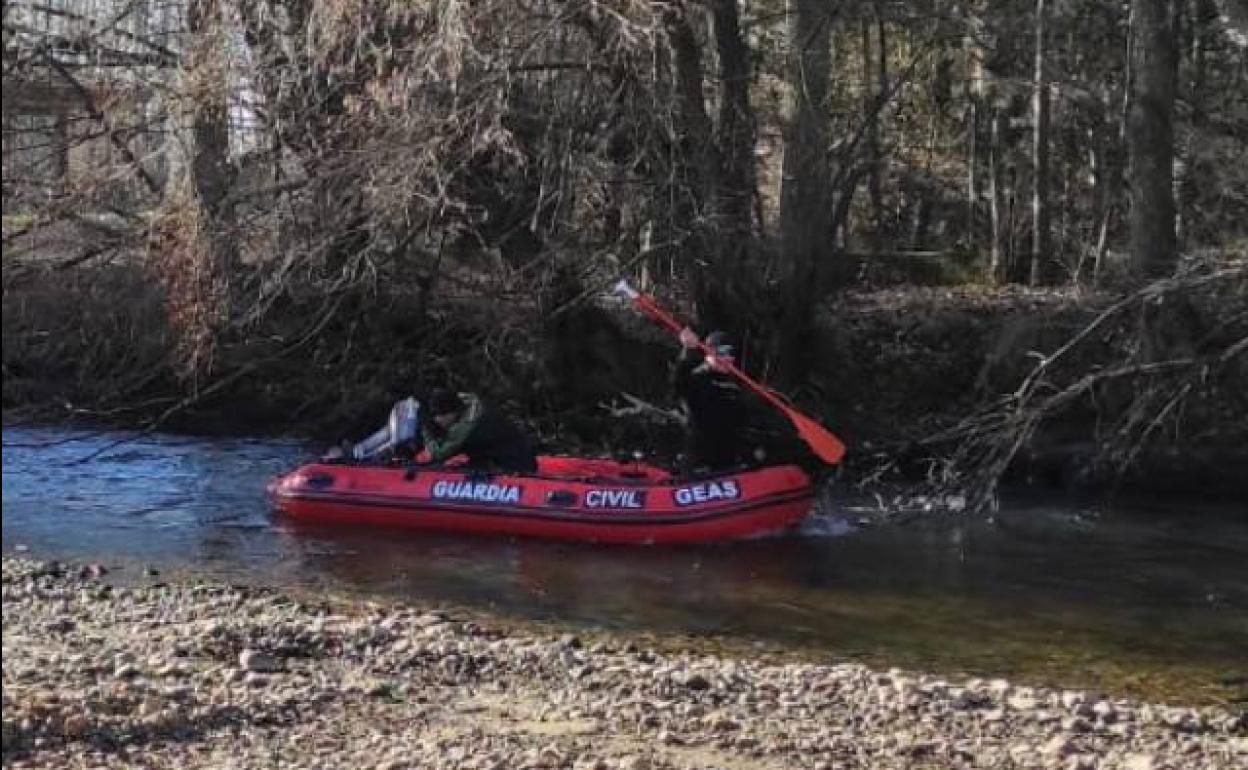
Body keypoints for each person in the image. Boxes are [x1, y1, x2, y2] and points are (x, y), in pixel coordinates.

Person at [672, 327, 747, 472]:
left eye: (731, 352)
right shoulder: (699, 377)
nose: (729, 358)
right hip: (701, 460)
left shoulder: (735, 383)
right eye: (723, 352)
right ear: (709, 353)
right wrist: (687, 351)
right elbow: (678, 386)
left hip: (728, 459)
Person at [420, 389, 538, 473]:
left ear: (453, 412)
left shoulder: (466, 429)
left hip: (512, 467)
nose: (437, 420)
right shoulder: (473, 407)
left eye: (440, 415)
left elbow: (438, 455)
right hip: (502, 457)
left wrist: (426, 430)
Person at [326, 396, 422, 462]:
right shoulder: (354, 425)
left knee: (394, 440)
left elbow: (392, 439)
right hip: (359, 453)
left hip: (364, 451)